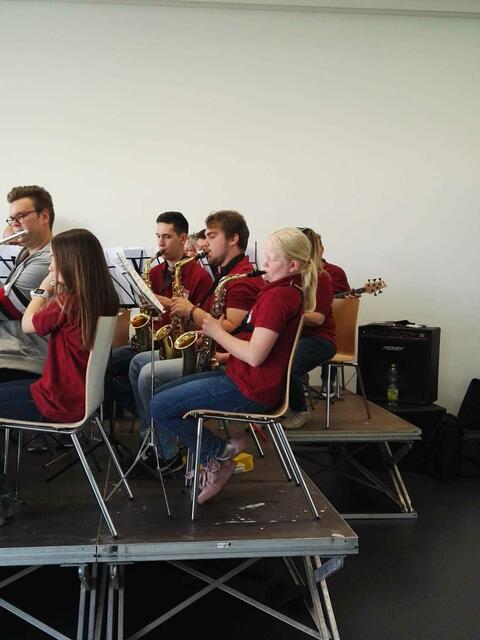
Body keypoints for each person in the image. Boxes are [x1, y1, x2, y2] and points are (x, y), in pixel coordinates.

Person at [149, 227, 316, 505]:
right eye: (265, 256)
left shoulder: (278, 297)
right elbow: (263, 346)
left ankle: (219, 454)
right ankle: (210, 456)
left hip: (251, 389)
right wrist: (227, 356)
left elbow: (255, 356)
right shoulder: (285, 290)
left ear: (293, 266)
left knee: (159, 406)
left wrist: (216, 332)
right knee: (163, 394)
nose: (264, 263)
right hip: (244, 377)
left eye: (272, 258)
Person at [0, 228, 119, 526]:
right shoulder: (101, 297)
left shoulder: (67, 302)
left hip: (58, 399)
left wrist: (42, 289)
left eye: (54, 259)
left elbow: (28, 323)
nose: (50, 266)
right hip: (77, 394)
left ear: (71, 263)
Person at [129, 210, 264, 472]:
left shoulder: (241, 279)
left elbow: (231, 328)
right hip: (209, 353)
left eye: (212, 236)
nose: (204, 243)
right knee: (137, 364)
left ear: (233, 239)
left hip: (222, 363)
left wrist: (191, 311)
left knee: (148, 375)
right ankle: (156, 441)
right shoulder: (226, 274)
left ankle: (168, 453)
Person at [108, 211, 212, 468]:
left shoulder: (199, 276)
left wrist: (169, 304)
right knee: (106, 365)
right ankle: (150, 421)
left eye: (167, 237)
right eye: (158, 236)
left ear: (183, 238)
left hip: (182, 345)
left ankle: (158, 437)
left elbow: (204, 322)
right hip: (156, 340)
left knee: (140, 369)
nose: (160, 243)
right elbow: (150, 314)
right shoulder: (154, 272)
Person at [282, 227, 337, 430]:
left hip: (320, 339)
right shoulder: (289, 277)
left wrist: (286, 313)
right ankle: (275, 408)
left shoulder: (321, 278)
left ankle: (300, 411)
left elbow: (318, 318)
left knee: (289, 366)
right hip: (295, 338)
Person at [0, 185, 54, 382]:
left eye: (20, 216)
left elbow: (6, 308)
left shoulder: (48, 258)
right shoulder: (25, 255)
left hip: (24, 357)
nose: (15, 224)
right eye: (11, 219)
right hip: (11, 350)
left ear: (44, 216)